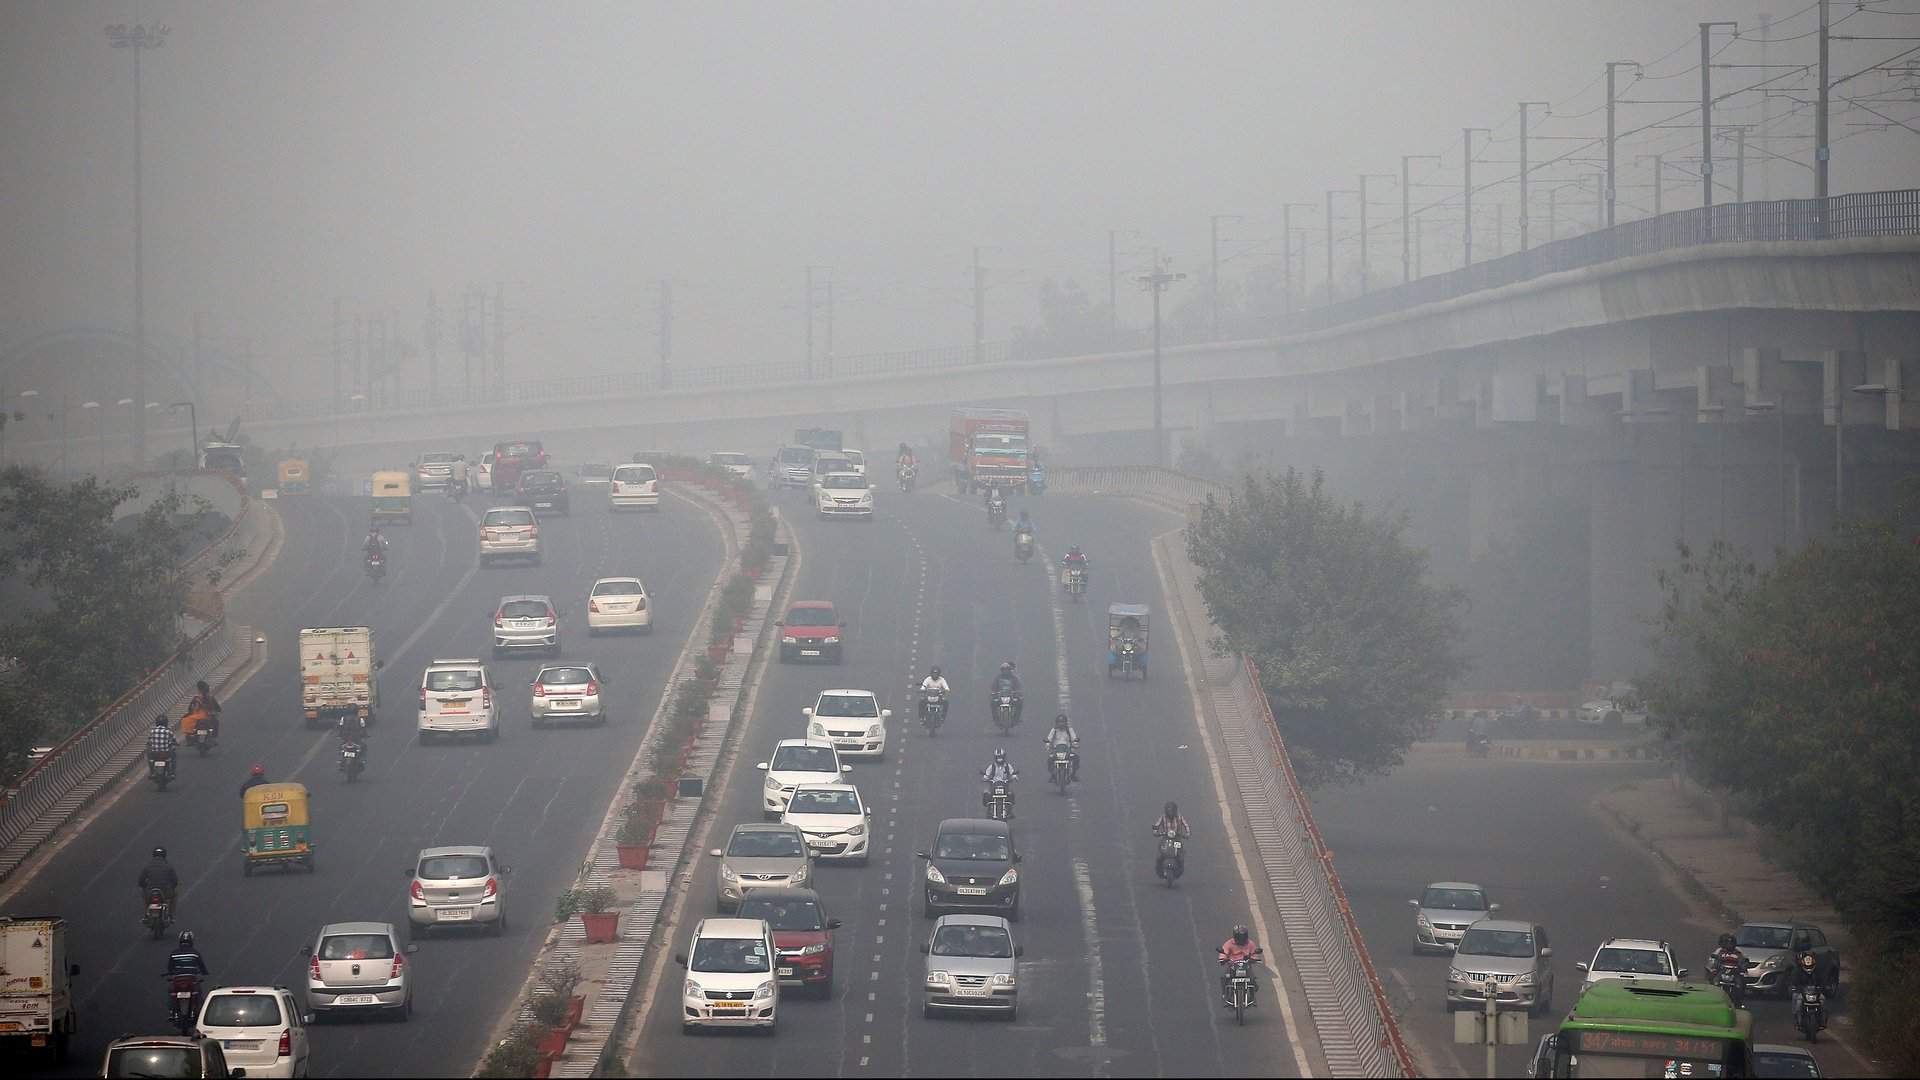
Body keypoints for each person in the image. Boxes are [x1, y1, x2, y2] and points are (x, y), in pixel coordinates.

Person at [1217, 925, 1261, 1006]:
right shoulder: (1229, 943)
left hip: (1246, 966)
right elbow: (1224, 953)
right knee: (1224, 977)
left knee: (1252, 979)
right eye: (1239, 937)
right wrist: (1223, 959)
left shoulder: (1250, 944)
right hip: (1233, 966)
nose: (1241, 939)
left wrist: (1253, 959)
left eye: (1243, 937)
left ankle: (1252, 997)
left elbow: (1255, 954)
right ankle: (1225, 995)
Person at [1152, 802, 1191, 879]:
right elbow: (1157, 825)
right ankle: (1158, 867)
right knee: (1160, 853)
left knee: (1180, 854)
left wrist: (1187, 833)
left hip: (1177, 838)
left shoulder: (1180, 817)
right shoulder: (1163, 817)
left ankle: (1180, 867)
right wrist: (1155, 831)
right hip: (1165, 837)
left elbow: (1186, 826)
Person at [1709, 933, 1746, 1001]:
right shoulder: (1721, 952)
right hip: (1723, 970)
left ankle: (1738, 1000)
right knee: (1715, 981)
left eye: (1731, 944)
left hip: (1734, 971)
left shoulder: (1738, 953)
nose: (1729, 945)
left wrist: (1742, 968)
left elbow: (1742, 963)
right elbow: (1718, 961)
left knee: (1740, 984)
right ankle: (1713, 996)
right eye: (1728, 944)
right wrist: (1716, 967)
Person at [1044, 713, 1080, 781]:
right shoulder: (1054, 730)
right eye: (1060, 722)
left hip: (1067, 750)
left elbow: (1074, 738)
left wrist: (1075, 743)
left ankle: (1073, 774)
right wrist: (1047, 746)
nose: (1061, 724)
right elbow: (1049, 739)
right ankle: (1052, 775)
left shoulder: (1069, 730)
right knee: (1050, 760)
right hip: (1056, 750)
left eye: (1063, 722)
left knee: (1076, 758)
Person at [990, 662, 1023, 726]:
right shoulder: (998, 678)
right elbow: (993, 686)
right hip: (1000, 696)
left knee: (1019, 703)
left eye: (1007, 670)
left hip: (1012, 696)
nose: (1005, 671)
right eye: (1004, 670)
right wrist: (993, 692)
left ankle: (1015, 720)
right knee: (993, 703)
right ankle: (996, 720)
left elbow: (1018, 686)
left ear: (1009, 670)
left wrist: (1018, 691)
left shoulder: (1014, 678)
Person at [146, 715, 178, 779]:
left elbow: (149, 742)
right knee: (174, 756)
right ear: (166, 723)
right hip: (166, 753)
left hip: (154, 753)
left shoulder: (153, 731)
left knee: (150, 759)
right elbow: (173, 740)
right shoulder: (168, 731)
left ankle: (152, 773)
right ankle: (172, 773)